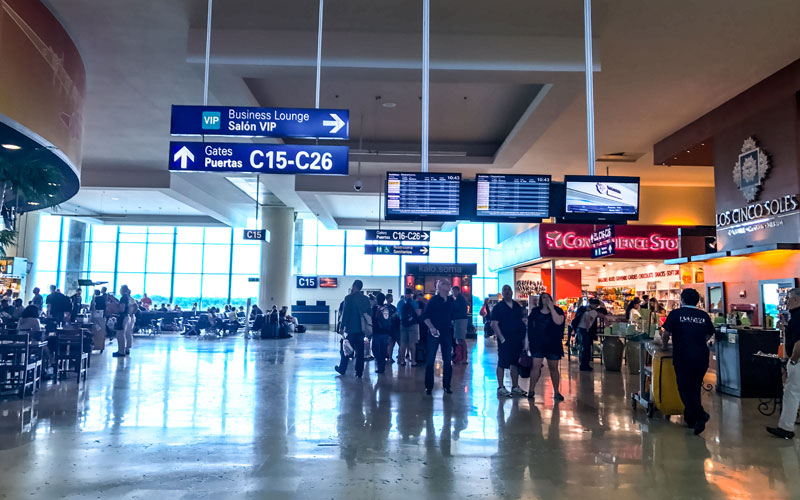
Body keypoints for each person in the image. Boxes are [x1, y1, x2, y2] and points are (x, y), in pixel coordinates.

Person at [661, 288, 715, 435]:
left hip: (683, 355)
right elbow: (710, 333)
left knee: (684, 388)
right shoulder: (703, 315)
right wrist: (699, 341)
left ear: (682, 300)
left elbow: (666, 333)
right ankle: (692, 419)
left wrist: (664, 346)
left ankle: (700, 415)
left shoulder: (676, 314)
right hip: (701, 356)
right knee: (695, 387)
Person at [768, 287, 800, 439]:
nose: (786, 302)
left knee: (792, 393)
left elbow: (799, 342)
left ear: (796, 300)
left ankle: (786, 427)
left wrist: (793, 360)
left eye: (788, 299)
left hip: (798, 361)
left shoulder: (798, 318)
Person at [527, 292, 566, 401]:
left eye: (548, 297)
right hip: (537, 343)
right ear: (540, 300)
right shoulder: (535, 312)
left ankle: (556, 391)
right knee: (535, 366)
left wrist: (552, 308)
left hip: (553, 343)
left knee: (554, 368)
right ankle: (531, 390)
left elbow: (559, 322)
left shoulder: (558, 310)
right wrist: (527, 342)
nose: (546, 299)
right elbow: (530, 327)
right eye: (543, 297)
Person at [491, 285, 528, 397]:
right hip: (505, 340)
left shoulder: (517, 306)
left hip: (517, 340)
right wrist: (501, 338)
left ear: (512, 292)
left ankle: (515, 387)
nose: (507, 292)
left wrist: (525, 338)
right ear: (502, 293)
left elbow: (522, 320)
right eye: (505, 290)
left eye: (509, 290)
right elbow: (494, 324)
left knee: (515, 363)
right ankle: (501, 387)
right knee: (502, 362)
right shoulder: (498, 307)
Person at [423, 279, 454, 395]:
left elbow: (453, 315)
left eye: (449, 285)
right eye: (446, 285)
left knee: (447, 360)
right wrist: (431, 328)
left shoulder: (451, 300)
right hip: (434, 333)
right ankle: (429, 386)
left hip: (446, 332)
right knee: (430, 360)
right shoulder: (433, 300)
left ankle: (447, 385)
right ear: (440, 287)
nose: (449, 287)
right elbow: (425, 316)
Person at [335, 280, 372, 378]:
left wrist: (342, 327)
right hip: (361, 328)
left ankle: (342, 369)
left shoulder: (349, 298)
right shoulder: (365, 299)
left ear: (354, 286)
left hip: (351, 328)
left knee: (345, 348)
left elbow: (346, 314)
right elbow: (369, 313)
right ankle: (359, 372)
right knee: (360, 351)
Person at [575, 298, 605, 371]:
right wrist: (588, 328)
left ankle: (583, 364)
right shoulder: (593, 312)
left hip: (580, 328)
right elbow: (588, 319)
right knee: (586, 347)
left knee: (583, 347)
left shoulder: (585, 310)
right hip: (584, 329)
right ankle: (585, 365)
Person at [398, 288, 421, 366]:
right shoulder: (414, 303)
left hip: (403, 324)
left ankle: (402, 361)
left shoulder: (400, 303)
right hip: (412, 324)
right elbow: (418, 314)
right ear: (411, 294)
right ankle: (413, 361)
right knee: (412, 343)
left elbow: (399, 314)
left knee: (403, 343)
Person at [371, 292, 392, 374]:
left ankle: (379, 364)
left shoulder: (374, 308)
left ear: (377, 299)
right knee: (383, 349)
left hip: (376, 332)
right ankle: (382, 366)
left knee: (376, 350)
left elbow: (372, 319)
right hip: (385, 332)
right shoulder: (386, 308)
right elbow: (389, 321)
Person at [113, 285, 136, 358]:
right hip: (127, 316)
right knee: (125, 333)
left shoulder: (123, 298)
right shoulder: (128, 298)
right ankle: (124, 349)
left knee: (120, 334)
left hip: (123, 317)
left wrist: (116, 309)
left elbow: (122, 309)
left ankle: (121, 351)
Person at [451, 285, 470, 364]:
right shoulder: (460, 299)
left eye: (454, 291)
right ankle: (461, 356)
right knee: (459, 339)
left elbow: (455, 309)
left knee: (461, 339)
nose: (453, 293)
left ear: (458, 291)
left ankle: (464, 358)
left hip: (460, 320)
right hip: (459, 320)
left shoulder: (460, 299)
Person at [385, 293, 399, 364]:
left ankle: (389, 355)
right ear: (387, 299)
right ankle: (389, 356)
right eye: (391, 297)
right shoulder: (385, 307)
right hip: (388, 327)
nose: (392, 299)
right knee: (389, 342)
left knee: (392, 343)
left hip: (394, 327)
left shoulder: (393, 307)